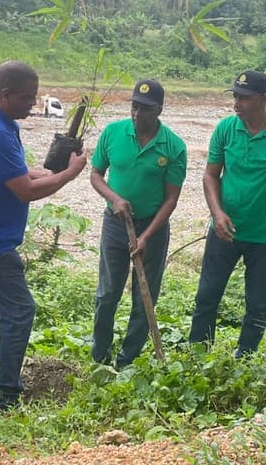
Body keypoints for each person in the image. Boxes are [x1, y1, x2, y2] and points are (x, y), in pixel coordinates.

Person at [0, 61, 87, 411]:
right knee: (20, 310)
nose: (33, 103)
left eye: (35, 96)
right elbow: (24, 190)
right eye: (27, 98)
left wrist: (47, 171)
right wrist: (69, 174)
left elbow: (18, 172)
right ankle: (6, 395)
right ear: (5, 94)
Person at [188, 69, 266, 357]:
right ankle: (198, 355)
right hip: (224, 231)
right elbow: (210, 176)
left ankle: (245, 358)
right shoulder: (226, 130)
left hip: (265, 237)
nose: (237, 103)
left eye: (244, 98)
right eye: (235, 96)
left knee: (256, 303)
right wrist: (217, 213)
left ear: (263, 98)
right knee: (207, 297)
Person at [90, 79, 187, 368]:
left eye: (144, 109)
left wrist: (146, 236)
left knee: (144, 296)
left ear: (158, 109)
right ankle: (100, 355)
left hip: (152, 229)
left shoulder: (173, 146)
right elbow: (96, 175)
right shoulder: (112, 133)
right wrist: (115, 199)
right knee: (107, 292)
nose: (137, 114)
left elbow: (171, 199)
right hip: (115, 224)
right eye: (134, 107)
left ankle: (127, 359)